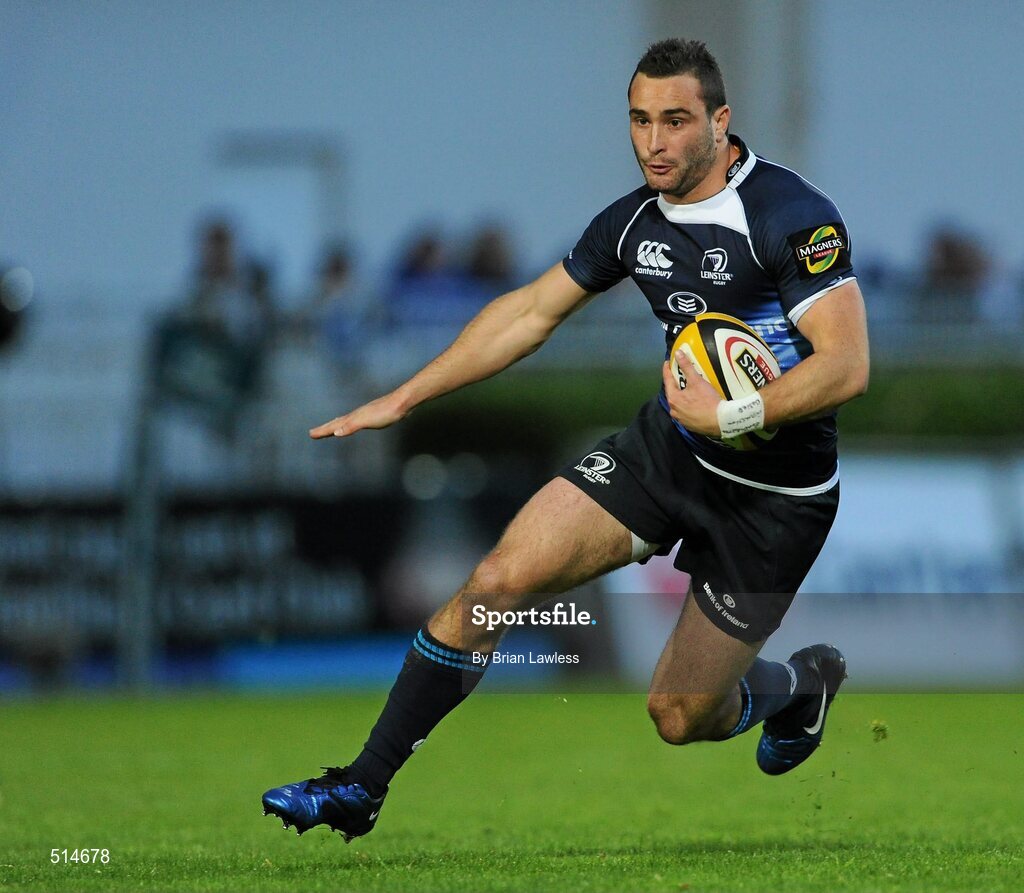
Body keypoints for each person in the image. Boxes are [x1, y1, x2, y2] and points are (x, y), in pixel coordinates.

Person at [261, 38, 869, 841]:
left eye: (677, 120)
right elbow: (528, 313)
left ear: (721, 123)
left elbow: (848, 363)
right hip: (669, 452)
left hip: (775, 501)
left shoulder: (792, 217)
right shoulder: (631, 223)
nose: (654, 141)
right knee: (495, 579)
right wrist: (408, 394)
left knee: (681, 714)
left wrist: (732, 415)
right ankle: (360, 785)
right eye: (640, 120)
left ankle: (799, 685)